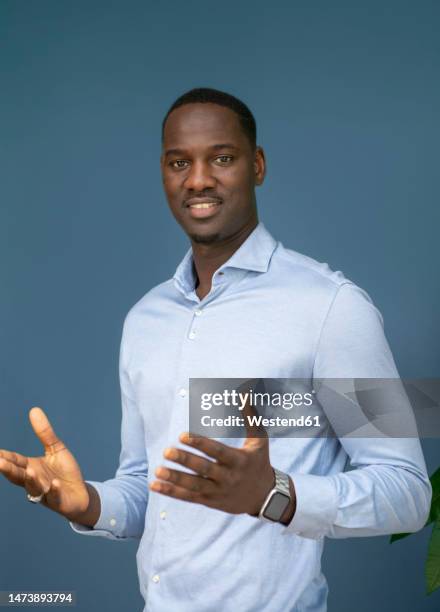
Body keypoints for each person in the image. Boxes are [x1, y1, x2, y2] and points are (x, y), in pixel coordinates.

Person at [0, 87, 432, 611]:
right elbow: (147, 490)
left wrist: (278, 495)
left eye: (221, 158)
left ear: (258, 165)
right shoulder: (145, 321)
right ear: (163, 173)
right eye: (179, 162)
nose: (198, 179)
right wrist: (86, 503)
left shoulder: (332, 308)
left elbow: (407, 492)